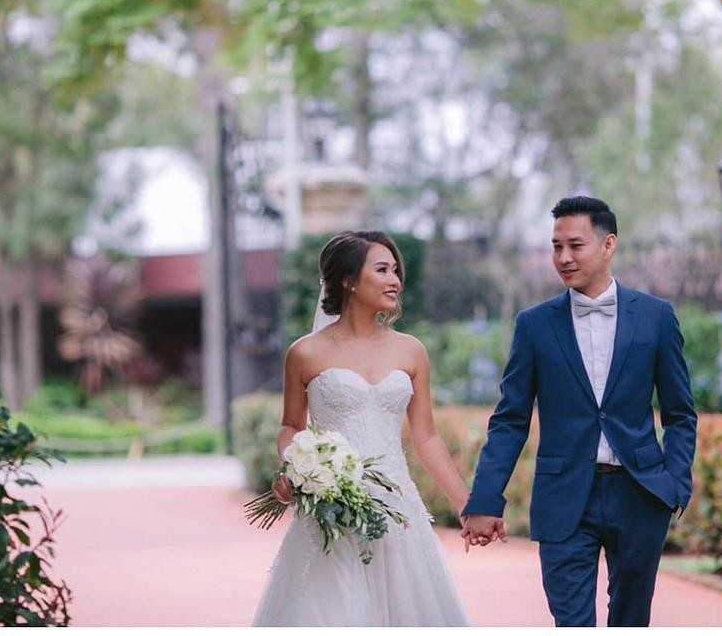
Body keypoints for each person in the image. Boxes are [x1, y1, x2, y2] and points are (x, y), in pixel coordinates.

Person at [461, 196, 697, 627]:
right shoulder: (533, 325)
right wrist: (484, 500)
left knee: (630, 621)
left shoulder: (655, 317)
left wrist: (675, 483)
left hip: (640, 494)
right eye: (555, 247)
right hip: (564, 496)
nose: (563, 257)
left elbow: (680, 413)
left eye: (575, 245)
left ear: (608, 245)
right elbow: (511, 419)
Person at [251, 230, 471, 626]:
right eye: (383, 270)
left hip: (397, 509)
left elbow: (426, 436)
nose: (395, 281)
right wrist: (292, 465)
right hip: (328, 511)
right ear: (349, 280)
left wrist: (465, 504)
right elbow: (290, 427)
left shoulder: (411, 351)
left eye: (396, 271)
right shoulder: (305, 352)